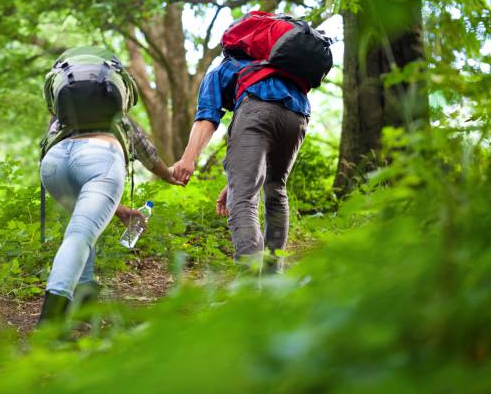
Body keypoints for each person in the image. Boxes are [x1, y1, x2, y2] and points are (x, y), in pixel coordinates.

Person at [38, 47, 182, 326]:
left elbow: (63, 150)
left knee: (80, 229)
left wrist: (118, 209)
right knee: (80, 234)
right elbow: (147, 154)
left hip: (54, 165)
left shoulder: (61, 117)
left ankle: (85, 301)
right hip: (101, 157)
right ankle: (51, 321)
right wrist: (169, 175)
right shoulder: (118, 117)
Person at [172, 57, 309, 273]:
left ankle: (249, 285)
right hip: (298, 115)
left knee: (243, 200)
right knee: (276, 191)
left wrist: (188, 158)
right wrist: (237, 180)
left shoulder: (221, 71)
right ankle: (274, 280)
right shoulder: (280, 66)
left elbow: (207, 117)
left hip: (256, 108)